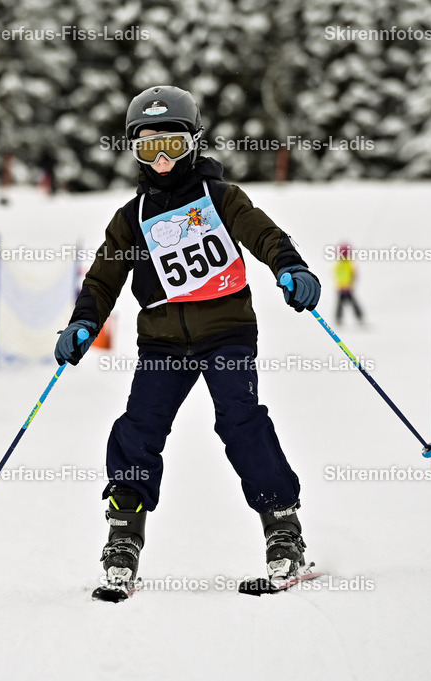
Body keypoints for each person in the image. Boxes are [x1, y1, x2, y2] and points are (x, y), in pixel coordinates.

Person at [54, 85, 321, 599]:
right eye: (147, 147)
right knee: (138, 429)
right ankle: (124, 535)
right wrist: (83, 323)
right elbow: (103, 279)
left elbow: (264, 234)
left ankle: (283, 527)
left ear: (194, 143)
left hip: (227, 334)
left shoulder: (220, 198)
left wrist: (290, 267)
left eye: (171, 145)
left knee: (240, 421)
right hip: (161, 344)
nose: (160, 160)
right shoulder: (131, 219)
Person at [334, 243, 364, 326]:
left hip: (348, 288)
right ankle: (338, 319)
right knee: (340, 305)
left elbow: (353, 274)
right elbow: (337, 275)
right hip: (341, 288)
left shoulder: (348, 264)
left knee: (353, 304)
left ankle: (359, 317)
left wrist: (351, 282)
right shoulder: (340, 264)